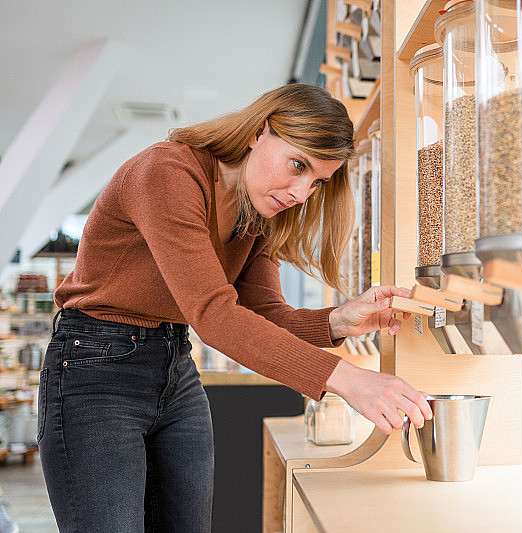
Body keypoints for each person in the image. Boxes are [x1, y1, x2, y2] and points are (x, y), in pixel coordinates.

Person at [38, 83, 433, 532]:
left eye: (316, 181)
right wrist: (347, 379)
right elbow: (215, 315)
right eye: (298, 165)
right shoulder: (167, 172)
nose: (302, 193)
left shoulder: (255, 214)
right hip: (95, 369)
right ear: (258, 132)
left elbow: (265, 315)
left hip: (174, 371)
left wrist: (340, 319)